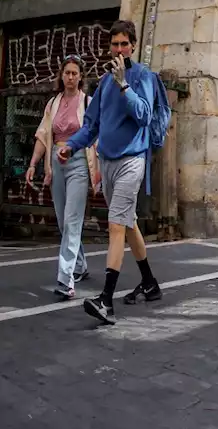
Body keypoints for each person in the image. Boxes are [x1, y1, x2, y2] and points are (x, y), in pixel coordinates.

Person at [61, 20, 163, 325]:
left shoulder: (143, 76)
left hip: (132, 160)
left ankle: (106, 300)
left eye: (124, 44)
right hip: (107, 162)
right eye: (115, 44)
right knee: (128, 223)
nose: (119, 49)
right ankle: (150, 282)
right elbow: (91, 125)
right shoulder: (104, 82)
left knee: (115, 224)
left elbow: (144, 114)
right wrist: (71, 146)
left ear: (132, 45)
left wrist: (124, 85)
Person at [29, 57, 99, 299]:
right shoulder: (53, 103)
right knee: (63, 221)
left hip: (79, 162)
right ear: (61, 76)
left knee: (72, 219)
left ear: (81, 77)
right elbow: (43, 135)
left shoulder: (87, 102)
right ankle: (79, 264)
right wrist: (33, 163)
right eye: (67, 73)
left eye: (74, 73)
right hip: (57, 165)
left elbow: (95, 135)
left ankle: (65, 278)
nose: (70, 77)